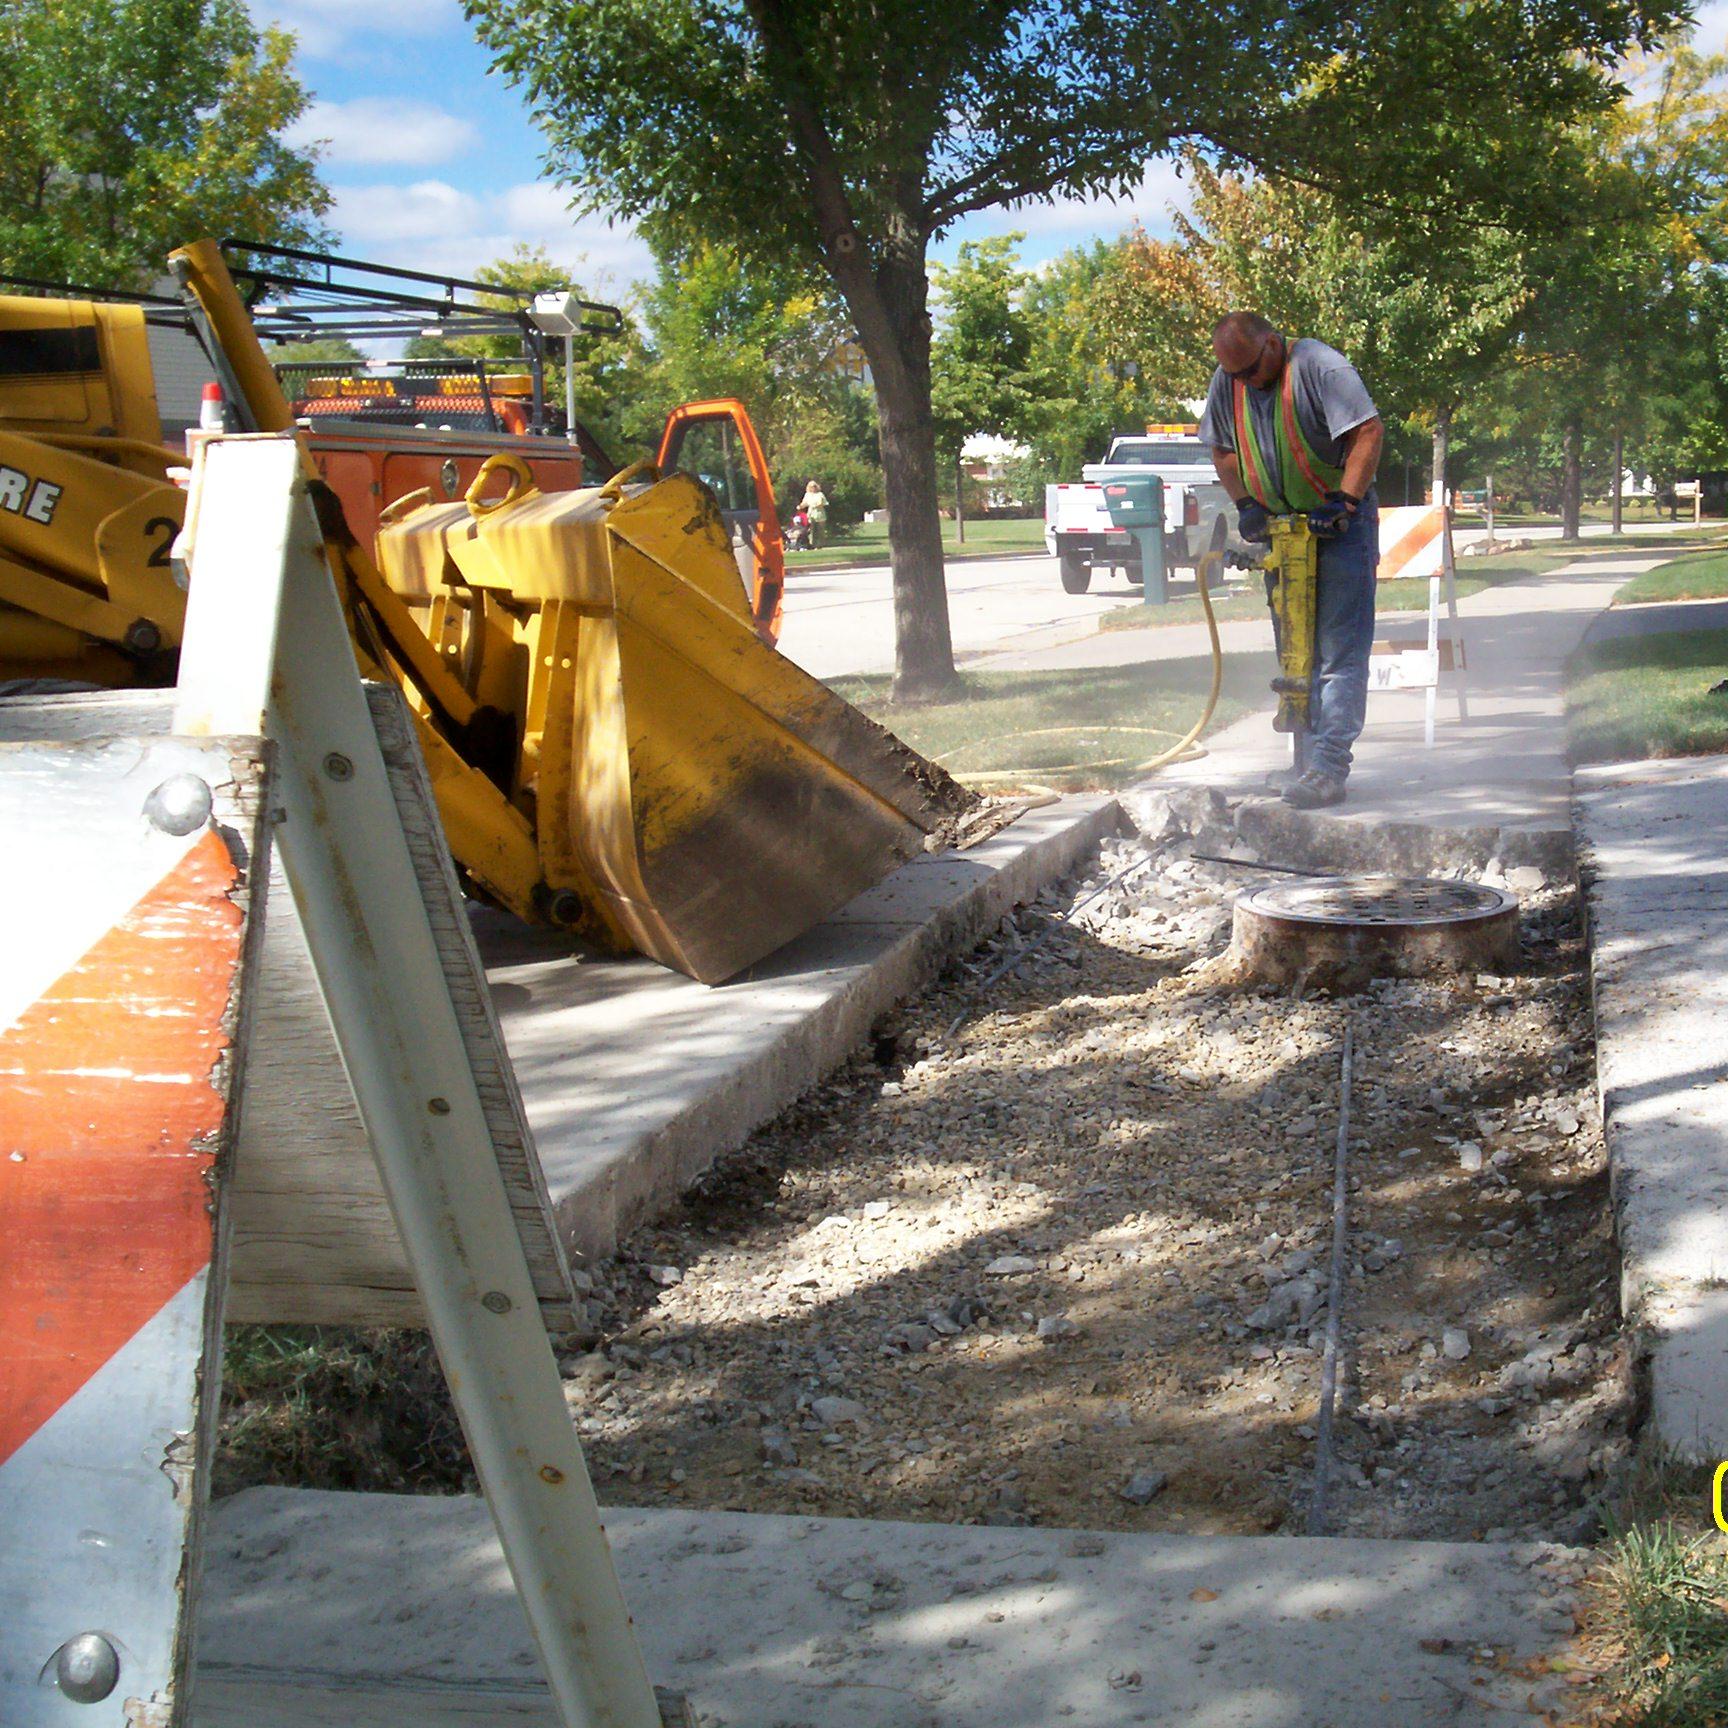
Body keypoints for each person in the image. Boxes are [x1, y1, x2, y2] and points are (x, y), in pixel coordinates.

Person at [1197, 311, 1385, 809]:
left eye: (1249, 372)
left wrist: (1344, 500)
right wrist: (1245, 505)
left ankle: (1329, 767)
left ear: (1273, 345)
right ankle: (1303, 762)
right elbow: (1221, 449)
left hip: (1340, 526)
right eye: (1233, 375)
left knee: (1337, 652)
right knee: (1295, 653)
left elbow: (1367, 433)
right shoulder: (1230, 377)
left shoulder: (1321, 366)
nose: (1242, 383)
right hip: (1285, 532)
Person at [800, 479, 829, 549]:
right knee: (811, 530)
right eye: (811, 486)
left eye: (814, 486)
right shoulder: (807, 495)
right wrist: (800, 506)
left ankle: (820, 545)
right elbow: (804, 503)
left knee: (820, 530)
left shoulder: (820, 494)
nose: (813, 488)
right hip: (811, 514)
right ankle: (812, 544)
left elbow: (824, 503)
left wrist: (818, 505)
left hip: (819, 514)